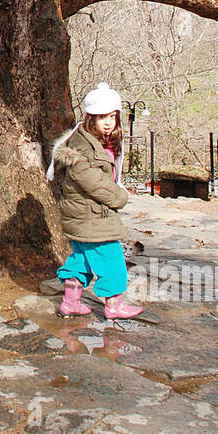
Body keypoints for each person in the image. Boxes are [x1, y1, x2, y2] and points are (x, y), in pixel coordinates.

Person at [45, 82, 143, 320]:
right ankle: (114, 304)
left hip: (83, 215)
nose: (108, 122)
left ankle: (71, 302)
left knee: (81, 260)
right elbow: (92, 181)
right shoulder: (84, 147)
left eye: (112, 116)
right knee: (112, 260)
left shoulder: (94, 140)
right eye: (101, 117)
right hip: (91, 215)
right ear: (91, 118)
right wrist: (119, 196)